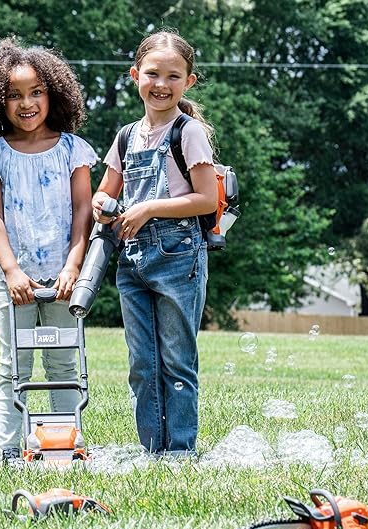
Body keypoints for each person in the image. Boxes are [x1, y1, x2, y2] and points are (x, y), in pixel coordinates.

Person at [0, 37, 96, 467]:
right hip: (13, 277)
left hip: (62, 278)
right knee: (12, 367)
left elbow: (82, 212)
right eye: (14, 95)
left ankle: (63, 447)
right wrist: (12, 270)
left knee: (62, 365)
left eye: (36, 91)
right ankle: (8, 450)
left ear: (53, 94)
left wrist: (73, 266)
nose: (27, 103)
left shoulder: (74, 149)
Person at [92, 30, 219, 458]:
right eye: (152, 74)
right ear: (135, 76)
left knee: (176, 362)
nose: (161, 84)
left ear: (189, 82)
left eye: (173, 76)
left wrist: (146, 209)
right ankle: (153, 451)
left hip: (179, 255)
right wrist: (102, 205)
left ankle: (180, 452)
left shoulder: (189, 132)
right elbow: (106, 191)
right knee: (143, 365)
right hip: (132, 258)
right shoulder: (127, 135)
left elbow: (206, 199)